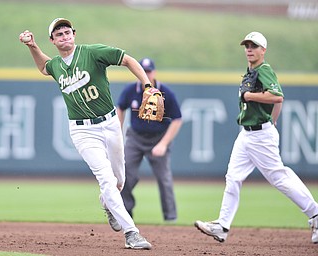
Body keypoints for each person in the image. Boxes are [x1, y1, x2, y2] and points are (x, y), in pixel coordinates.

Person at [19, 18, 152, 250]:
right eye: (58, 34)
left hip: (110, 124)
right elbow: (43, 67)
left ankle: (107, 203)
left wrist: (148, 86)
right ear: (53, 41)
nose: (64, 36)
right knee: (107, 180)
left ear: (74, 34)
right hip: (83, 131)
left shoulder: (93, 53)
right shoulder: (57, 66)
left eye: (67, 32)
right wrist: (32, 46)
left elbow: (128, 60)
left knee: (119, 181)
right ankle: (132, 233)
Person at [194, 31, 318, 244]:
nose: (249, 49)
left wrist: (253, 101)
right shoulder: (250, 72)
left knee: (279, 178)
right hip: (246, 135)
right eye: (247, 46)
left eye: (254, 46)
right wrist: (273, 121)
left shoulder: (264, 69)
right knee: (233, 177)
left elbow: (278, 96)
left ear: (263, 50)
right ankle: (222, 226)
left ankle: (315, 214)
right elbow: (276, 102)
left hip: (260, 135)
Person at [117, 58, 182, 222]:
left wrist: (163, 144)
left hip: (158, 137)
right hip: (136, 137)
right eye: (143, 71)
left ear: (154, 72)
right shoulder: (131, 90)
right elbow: (120, 108)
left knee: (164, 179)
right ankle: (126, 213)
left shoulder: (165, 91)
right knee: (124, 175)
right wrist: (118, 131)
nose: (146, 74)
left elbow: (177, 119)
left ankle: (170, 218)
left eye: (149, 71)